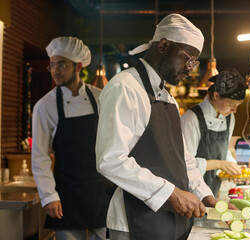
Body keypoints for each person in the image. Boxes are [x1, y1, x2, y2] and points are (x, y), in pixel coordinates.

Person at [95, 14, 231, 240]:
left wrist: (208, 199)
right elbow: (110, 160)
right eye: (188, 58)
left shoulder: (168, 99)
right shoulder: (125, 88)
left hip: (167, 222)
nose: (190, 68)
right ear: (164, 45)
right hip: (134, 222)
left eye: (195, 62)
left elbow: (182, 159)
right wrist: (172, 193)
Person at [32, 36, 113, 240]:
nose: (55, 71)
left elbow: (114, 143)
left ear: (77, 66)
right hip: (66, 196)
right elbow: (40, 156)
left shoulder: (100, 98)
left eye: (61, 64)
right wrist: (48, 196)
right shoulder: (45, 106)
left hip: (100, 193)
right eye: (51, 65)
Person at [180, 69, 247, 196]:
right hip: (190, 192)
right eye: (231, 104)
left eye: (238, 105)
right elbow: (185, 164)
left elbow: (223, 150)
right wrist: (219, 164)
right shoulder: (191, 118)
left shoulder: (229, 117)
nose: (234, 110)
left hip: (214, 189)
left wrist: (231, 168)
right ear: (216, 95)